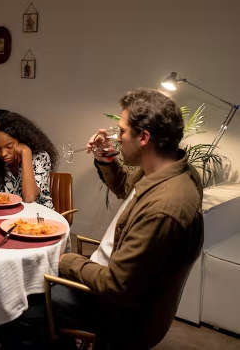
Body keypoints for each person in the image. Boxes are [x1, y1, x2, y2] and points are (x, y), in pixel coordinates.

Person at [53, 89, 204, 348]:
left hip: (116, 313)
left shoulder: (165, 207)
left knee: (23, 305)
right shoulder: (169, 169)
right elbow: (125, 186)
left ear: (144, 137)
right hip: (107, 279)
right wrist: (106, 158)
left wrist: (65, 261)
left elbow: (116, 284)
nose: (117, 137)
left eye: (122, 131)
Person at [0, 112, 58, 209]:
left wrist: (26, 153)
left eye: (9, 146)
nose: (3, 154)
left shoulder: (40, 157)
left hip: (40, 218)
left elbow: (29, 198)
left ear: (22, 140)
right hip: (6, 216)